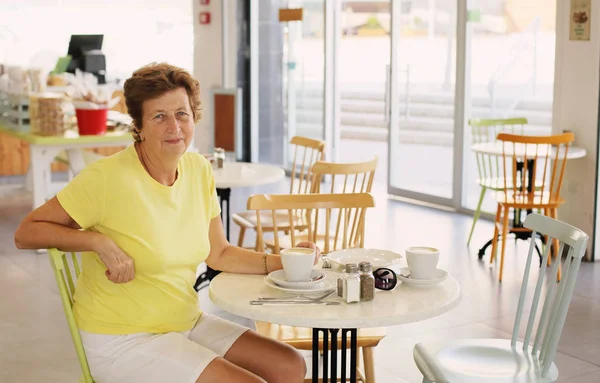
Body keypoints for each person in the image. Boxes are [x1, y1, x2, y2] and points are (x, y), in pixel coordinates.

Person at [14, 62, 320, 383]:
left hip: (184, 320)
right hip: (123, 337)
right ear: (139, 126)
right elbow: (26, 233)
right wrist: (95, 241)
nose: (174, 126)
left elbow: (220, 254)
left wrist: (286, 262)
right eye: (159, 116)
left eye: (181, 114)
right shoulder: (107, 178)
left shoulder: (199, 170)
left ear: (193, 117)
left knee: (290, 365)